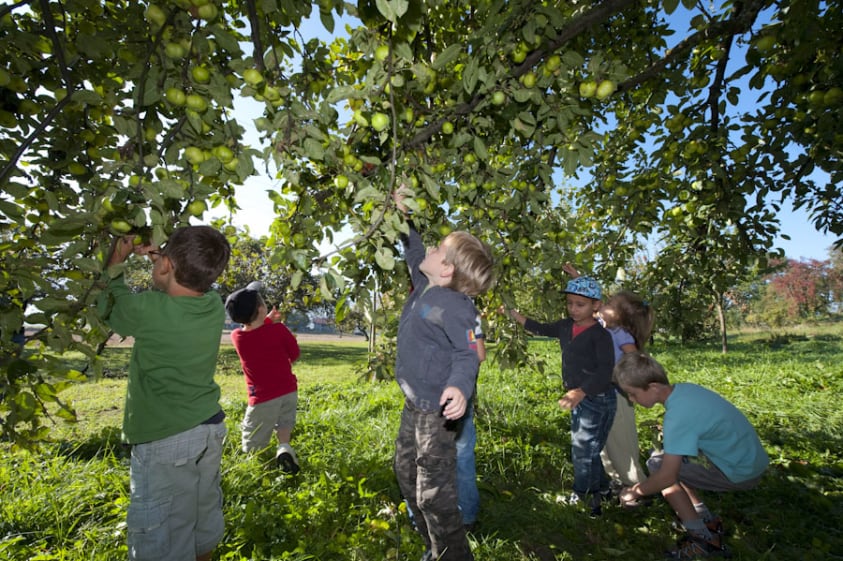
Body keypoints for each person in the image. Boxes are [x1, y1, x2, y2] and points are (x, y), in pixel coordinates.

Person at [97, 225, 231, 561]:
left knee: (161, 536)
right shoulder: (213, 304)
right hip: (208, 429)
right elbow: (184, 282)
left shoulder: (148, 310)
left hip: (165, 439)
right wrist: (162, 258)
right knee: (201, 515)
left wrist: (115, 263)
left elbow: (111, 307)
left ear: (168, 266)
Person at [392, 192, 495, 561]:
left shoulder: (457, 307)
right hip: (413, 404)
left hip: (437, 413)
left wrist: (459, 386)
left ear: (447, 269)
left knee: (434, 495)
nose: (431, 249)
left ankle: (452, 554)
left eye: (440, 249)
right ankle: (433, 547)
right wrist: (405, 216)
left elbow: (468, 354)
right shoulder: (425, 284)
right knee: (404, 473)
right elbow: (415, 249)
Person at [614, 352, 769, 559]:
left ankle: (703, 540)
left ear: (653, 387)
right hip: (748, 459)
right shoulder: (686, 391)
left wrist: (634, 492)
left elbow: (667, 477)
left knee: (659, 467)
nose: (631, 400)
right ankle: (705, 519)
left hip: (740, 471)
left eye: (632, 394)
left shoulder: (677, 417)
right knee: (660, 457)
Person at [501, 276, 616, 517]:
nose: (573, 309)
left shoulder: (600, 336)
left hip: (597, 399)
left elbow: (606, 371)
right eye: (570, 303)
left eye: (580, 304)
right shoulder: (566, 326)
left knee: (584, 449)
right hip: (580, 398)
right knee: (590, 448)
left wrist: (581, 391)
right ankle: (603, 490)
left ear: (596, 305)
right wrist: (515, 315)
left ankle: (585, 500)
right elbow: (541, 328)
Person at [225, 282, 302, 473]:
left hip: (262, 397)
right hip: (288, 390)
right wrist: (273, 325)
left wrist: (265, 321)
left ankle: (255, 466)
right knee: (284, 424)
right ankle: (284, 447)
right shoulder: (279, 330)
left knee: (253, 437)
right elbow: (295, 354)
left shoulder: (237, 337)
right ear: (262, 308)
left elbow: (255, 332)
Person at [598, 290, 655, 504]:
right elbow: (595, 302)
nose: (604, 304)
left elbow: (635, 358)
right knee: (606, 442)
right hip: (602, 393)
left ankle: (639, 488)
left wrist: (625, 378)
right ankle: (617, 481)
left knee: (622, 442)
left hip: (617, 395)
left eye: (610, 303)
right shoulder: (605, 326)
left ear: (620, 315)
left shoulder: (620, 333)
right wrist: (578, 277)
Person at [455, 313, 486, 531]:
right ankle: (467, 517)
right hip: (462, 394)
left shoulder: (429, 307)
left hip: (436, 397)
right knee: (463, 456)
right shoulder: (468, 313)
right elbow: (480, 353)